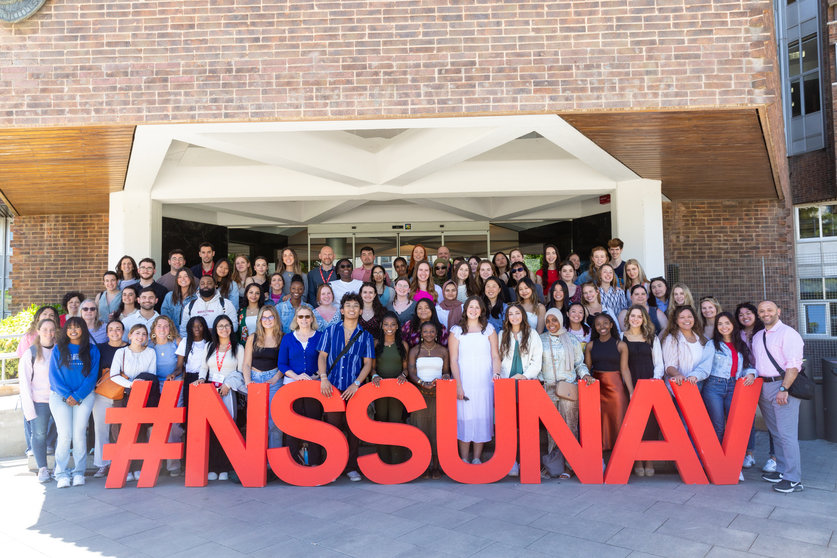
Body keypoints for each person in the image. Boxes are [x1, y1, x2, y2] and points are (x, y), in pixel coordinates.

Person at [317, 293, 376, 482]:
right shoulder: (330, 331)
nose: (352, 309)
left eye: (355, 306)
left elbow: (367, 363)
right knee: (332, 429)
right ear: (342, 310)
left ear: (360, 310)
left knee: (353, 429)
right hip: (332, 387)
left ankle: (351, 467)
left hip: (354, 389)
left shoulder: (365, 335)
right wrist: (324, 378)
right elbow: (322, 357)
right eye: (348, 306)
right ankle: (333, 466)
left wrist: (357, 383)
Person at [752, 301, 805, 493]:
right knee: (776, 433)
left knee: (787, 434)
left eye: (770, 310)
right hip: (764, 387)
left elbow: (793, 365)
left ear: (778, 312)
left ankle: (793, 479)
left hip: (783, 386)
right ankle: (782, 470)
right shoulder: (758, 336)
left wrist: (784, 388)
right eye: (762, 311)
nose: (766, 314)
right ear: (758, 314)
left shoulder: (789, 334)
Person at [701, 311, 757, 482]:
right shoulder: (712, 345)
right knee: (718, 426)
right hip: (714, 387)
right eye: (720, 324)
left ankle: (734, 465)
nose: (724, 326)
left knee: (735, 427)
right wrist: (694, 376)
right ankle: (716, 464)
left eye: (727, 323)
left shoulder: (741, 345)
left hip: (734, 386)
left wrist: (751, 374)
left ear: (733, 325)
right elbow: (704, 366)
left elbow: (748, 365)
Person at [540, 308, 593, 479]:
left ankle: (570, 466)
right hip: (547, 389)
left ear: (561, 320)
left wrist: (585, 374)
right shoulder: (540, 339)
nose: (551, 324)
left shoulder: (571, 339)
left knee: (570, 427)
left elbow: (579, 363)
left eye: (554, 320)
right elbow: (536, 364)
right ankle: (553, 465)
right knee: (552, 431)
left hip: (568, 389)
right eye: (548, 321)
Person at [49, 317, 100, 488]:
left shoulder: (92, 350)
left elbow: (92, 377)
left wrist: (77, 396)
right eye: (69, 327)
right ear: (65, 330)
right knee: (65, 435)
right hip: (59, 396)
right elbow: (54, 377)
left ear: (83, 330)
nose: (73, 330)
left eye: (77, 327)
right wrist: (67, 395)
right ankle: (61, 473)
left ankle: (79, 472)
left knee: (79, 434)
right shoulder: (58, 349)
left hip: (84, 397)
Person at [449, 296, 500, 464]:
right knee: (465, 419)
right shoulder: (456, 331)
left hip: (485, 383)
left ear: (481, 310)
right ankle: (464, 458)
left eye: (477, 307)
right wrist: (458, 386)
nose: (474, 310)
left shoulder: (489, 330)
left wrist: (496, 375)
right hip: (465, 382)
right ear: (465, 309)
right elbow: (453, 360)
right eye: (471, 307)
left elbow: (495, 355)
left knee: (481, 418)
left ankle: (477, 458)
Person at [621, 305, 664, 476]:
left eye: (639, 316)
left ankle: (649, 460)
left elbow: (659, 363)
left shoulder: (652, 338)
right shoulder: (621, 337)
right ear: (628, 318)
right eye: (633, 316)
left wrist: (654, 381)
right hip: (629, 384)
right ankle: (636, 459)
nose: (636, 319)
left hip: (648, 382)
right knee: (633, 422)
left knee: (650, 422)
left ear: (644, 319)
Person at [278, 306, 323, 466]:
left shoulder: (320, 337)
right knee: (292, 426)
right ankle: (294, 464)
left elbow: (325, 359)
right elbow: (282, 364)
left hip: (313, 386)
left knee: (314, 423)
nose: (304, 320)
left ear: (312, 318)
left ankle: (316, 462)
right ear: (296, 319)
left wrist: (315, 375)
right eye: (300, 317)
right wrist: (297, 376)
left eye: (307, 317)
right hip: (292, 386)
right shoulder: (288, 338)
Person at [203, 315, 244, 481]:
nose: (224, 329)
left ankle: (225, 467)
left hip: (228, 391)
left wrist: (228, 384)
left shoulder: (238, 348)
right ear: (215, 328)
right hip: (211, 392)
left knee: (228, 430)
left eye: (227, 325)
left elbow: (240, 371)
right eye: (220, 326)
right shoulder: (209, 346)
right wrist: (200, 378)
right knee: (212, 430)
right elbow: (203, 367)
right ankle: (213, 466)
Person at [407, 321, 450, 479]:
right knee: (421, 430)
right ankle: (423, 465)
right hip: (419, 395)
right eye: (426, 332)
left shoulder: (443, 350)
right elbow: (411, 372)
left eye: (432, 331)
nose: (429, 334)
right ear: (421, 333)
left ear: (436, 333)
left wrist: (443, 378)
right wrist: (421, 383)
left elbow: (446, 372)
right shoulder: (414, 351)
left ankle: (437, 466)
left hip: (439, 395)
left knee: (437, 431)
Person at [585, 313, 632, 455]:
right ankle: (602, 460)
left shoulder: (621, 345)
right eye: (598, 324)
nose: (602, 327)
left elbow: (625, 369)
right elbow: (586, 369)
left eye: (605, 323)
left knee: (618, 421)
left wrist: (631, 391)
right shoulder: (590, 345)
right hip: (597, 388)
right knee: (599, 423)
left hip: (616, 388)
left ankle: (620, 458)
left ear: (612, 325)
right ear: (595, 328)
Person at [736, 301, 774, 473]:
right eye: (741, 314)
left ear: (755, 314)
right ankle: (749, 454)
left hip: (765, 379)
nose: (745, 317)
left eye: (748, 313)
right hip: (748, 380)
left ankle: (774, 457)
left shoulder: (764, 332)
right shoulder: (738, 334)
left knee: (772, 420)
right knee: (747, 419)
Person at [19, 318, 56, 483]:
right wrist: (29, 410)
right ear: (39, 331)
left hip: (59, 400)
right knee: (39, 435)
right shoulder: (30, 353)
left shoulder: (59, 351)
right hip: (39, 401)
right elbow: (25, 384)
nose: (49, 333)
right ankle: (42, 468)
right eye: (45, 329)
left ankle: (59, 467)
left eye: (52, 329)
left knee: (62, 434)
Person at [370, 312, 410, 464]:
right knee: (381, 421)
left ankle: (396, 459)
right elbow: (372, 369)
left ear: (398, 326)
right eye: (386, 324)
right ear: (381, 326)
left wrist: (403, 375)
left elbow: (405, 369)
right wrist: (375, 376)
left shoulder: (403, 345)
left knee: (395, 422)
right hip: (380, 389)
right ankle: (383, 458)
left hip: (397, 390)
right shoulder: (376, 344)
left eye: (393, 324)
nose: (389, 327)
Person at [242, 305, 283, 449]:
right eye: (264, 317)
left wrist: (276, 378)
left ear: (276, 318)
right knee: (256, 420)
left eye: (270, 317)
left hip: (274, 380)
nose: (267, 320)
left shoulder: (282, 338)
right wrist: (248, 382)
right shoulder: (253, 337)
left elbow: (284, 364)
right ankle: (257, 457)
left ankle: (273, 461)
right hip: (254, 380)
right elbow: (246, 363)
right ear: (260, 320)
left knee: (274, 420)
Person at [91, 319, 127, 479]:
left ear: (123, 331)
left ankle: (121, 462)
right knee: (101, 429)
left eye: (118, 329)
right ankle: (102, 464)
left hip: (124, 394)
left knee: (121, 430)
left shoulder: (129, 348)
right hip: (103, 394)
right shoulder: (100, 349)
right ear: (106, 333)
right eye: (111, 329)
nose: (114, 332)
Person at [660, 306, 712, 392]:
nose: (686, 320)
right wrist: (678, 375)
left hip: (702, 385)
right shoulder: (671, 339)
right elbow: (669, 366)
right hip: (682, 387)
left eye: (689, 317)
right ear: (676, 321)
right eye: (682, 317)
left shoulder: (701, 338)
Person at [499, 303, 543, 381]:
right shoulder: (502, 334)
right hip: (506, 379)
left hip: (527, 380)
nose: (514, 317)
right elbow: (498, 358)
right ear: (507, 317)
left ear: (523, 315)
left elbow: (537, 361)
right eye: (511, 314)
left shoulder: (532, 334)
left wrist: (525, 376)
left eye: (517, 313)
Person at [161, 268, 198, 334]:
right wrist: (175, 334)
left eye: (186, 276)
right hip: (171, 334)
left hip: (191, 334)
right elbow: (165, 317)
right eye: (179, 277)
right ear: (177, 280)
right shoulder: (169, 296)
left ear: (191, 278)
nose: (182, 279)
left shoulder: (197, 297)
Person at [149, 316, 180, 385]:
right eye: (159, 326)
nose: (162, 329)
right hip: (154, 382)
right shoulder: (148, 345)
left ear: (170, 329)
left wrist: (173, 375)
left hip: (174, 380)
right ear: (154, 329)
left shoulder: (177, 342)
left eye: (166, 326)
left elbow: (182, 367)